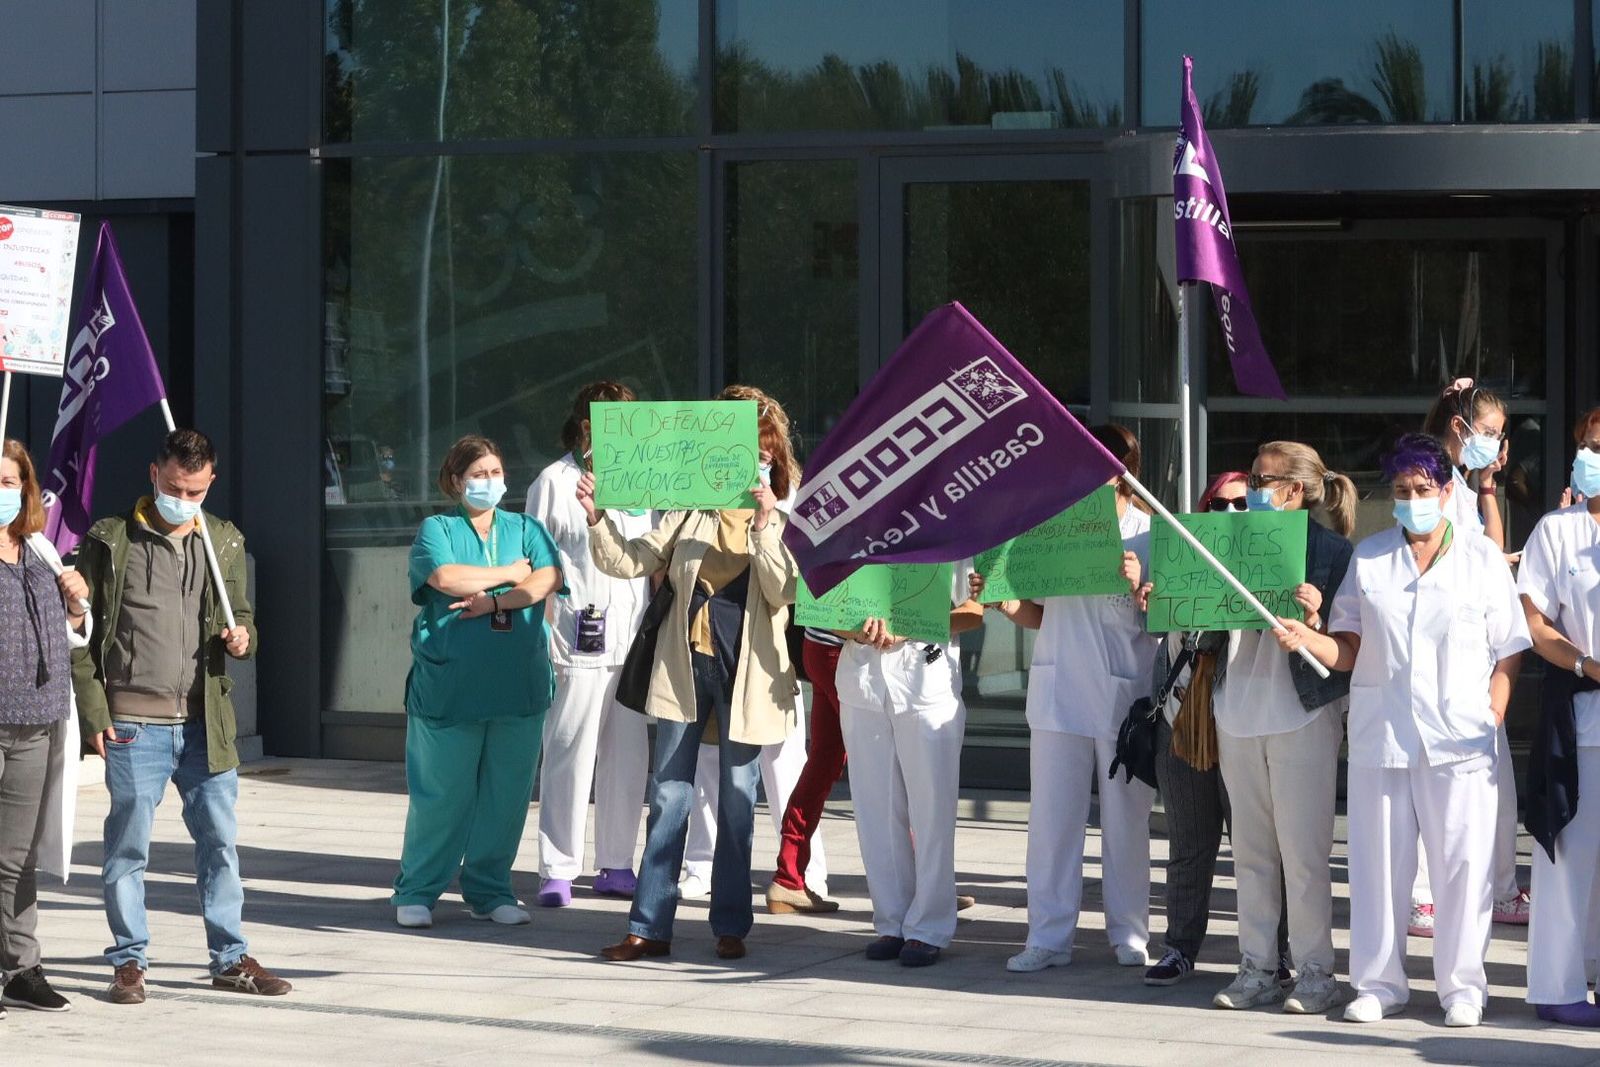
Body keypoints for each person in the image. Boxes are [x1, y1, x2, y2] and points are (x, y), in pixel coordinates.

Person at [1277, 432, 1529, 1029]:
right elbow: (1348, 645)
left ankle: (1462, 987)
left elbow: (1510, 649)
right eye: (1400, 490)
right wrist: (1309, 638)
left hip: (1462, 738)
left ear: (1446, 491)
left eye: (1422, 488)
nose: (1411, 499)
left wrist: (1493, 714)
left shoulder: (1481, 559)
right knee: (1377, 865)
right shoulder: (1370, 557)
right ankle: (1379, 984)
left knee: (1462, 866)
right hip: (1382, 732)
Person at [583, 386, 800, 962]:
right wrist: (599, 517)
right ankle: (649, 926)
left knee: (735, 796)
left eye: (762, 451)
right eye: (742, 449)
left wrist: (764, 523)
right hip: (685, 667)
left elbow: (784, 591)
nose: (751, 462)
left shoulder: (786, 515)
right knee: (670, 795)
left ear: (773, 460)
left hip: (748, 673)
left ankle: (730, 924)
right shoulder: (689, 506)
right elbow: (630, 561)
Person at [72, 429, 283, 1005]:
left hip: (204, 725)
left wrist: (244, 638)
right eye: (172, 486)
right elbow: (81, 635)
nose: (182, 498)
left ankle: (230, 956)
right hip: (132, 722)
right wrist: (95, 714)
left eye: (193, 489)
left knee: (220, 844)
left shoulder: (224, 540)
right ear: (152, 474)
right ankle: (129, 961)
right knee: (128, 848)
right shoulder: (110, 539)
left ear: (210, 481)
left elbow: (243, 618)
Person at [979, 424, 1156, 973]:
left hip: (1124, 694)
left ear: (1123, 472)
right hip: (1059, 693)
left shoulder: (1150, 534)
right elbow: (1039, 612)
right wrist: (1007, 607)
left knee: (1126, 822)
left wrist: (1137, 585)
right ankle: (1048, 936)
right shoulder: (1050, 529)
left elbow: (1168, 622)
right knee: (1053, 822)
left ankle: (1129, 933)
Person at [1204, 443, 1354, 1015]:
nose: (1253, 491)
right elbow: (1194, 613)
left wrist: (1317, 615)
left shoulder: (1334, 553)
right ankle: (1258, 966)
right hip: (1236, 710)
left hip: (1301, 712)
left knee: (1305, 851)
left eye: (1262, 480)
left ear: (1294, 490)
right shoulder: (1225, 540)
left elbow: (1348, 638)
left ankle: (1316, 971)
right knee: (1250, 851)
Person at [393, 435, 563, 929]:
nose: (489, 482)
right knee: (441, 796)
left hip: (518, 685)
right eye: (478, 474)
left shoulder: (526, 527)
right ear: (455, 481)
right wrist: (509, 572)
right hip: (451, 686)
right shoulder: (438, 528)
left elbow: (546, 579)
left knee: (505, 797)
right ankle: (418, 890)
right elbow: (445, 578)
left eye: (494, 472)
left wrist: (495, 600)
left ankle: (490, 891)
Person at [1142, 471, 1288, 989]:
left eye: (1242, 504)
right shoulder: (1183, 556)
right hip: (1181, 720)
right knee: (1187, 842)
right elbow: (1161, 630)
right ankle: (1180, 948)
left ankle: (1278, 952)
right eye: (1219, 504)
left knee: (1258, 847)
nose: (1230, 513)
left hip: (1240, 722)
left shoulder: (1270, 561)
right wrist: (1151, 597)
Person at [526, 382, 650, 907]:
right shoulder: (553, 482)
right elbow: (535, 558)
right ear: (586, 429)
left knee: (628, 755)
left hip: (634, 633)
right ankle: (558, 866)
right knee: (570, 750)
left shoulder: (645, 480)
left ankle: (617, 863)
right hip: (577, 633)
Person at [1419, 378, 1529, 931]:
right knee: (1431, 783)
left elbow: (1486, 548)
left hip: (1475, 656)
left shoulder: (1464, 485)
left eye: (1500, 435)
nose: (1496, 443)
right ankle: (1424, 893)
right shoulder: (1430, 483)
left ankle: (1502, 885)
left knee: (1495, 784)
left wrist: (1488, 485)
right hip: (1435, 653)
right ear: (1459, 427)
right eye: (1488, 432)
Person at [839, 568, 983, 966]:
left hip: (926, 686)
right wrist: (856, 630)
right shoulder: (852, 526)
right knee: (876, 812)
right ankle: (892, 920)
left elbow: (973, 611)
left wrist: (911, 629)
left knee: (931, 812)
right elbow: (825, 611)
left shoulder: (942, 527)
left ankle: (930, 926)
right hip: (864, 686)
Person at [0, 440, 88, 1015]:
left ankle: (20, 967)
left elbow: (73, 633)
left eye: (10, 481)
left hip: (35, 723)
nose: (3, 492)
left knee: (19, 854)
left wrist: (79, 604)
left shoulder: (38, 549)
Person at [1517, 413, 1600, 1027]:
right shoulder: (1557, 531)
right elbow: (1536, 624)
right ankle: (1556, 983)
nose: (1592, 456)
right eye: (1590, 447)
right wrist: (1587, 664)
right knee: (1569, 852)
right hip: (1583, 710)